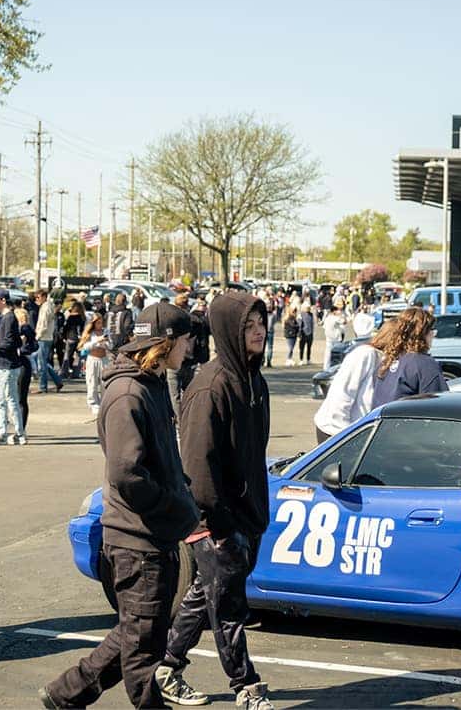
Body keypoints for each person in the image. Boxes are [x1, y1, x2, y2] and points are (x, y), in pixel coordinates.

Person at [41, 304, 199, 709]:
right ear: (164, 343)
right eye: (185, 339)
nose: (191, 346)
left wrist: (183, 494)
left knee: (138, 632)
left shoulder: (153, 382)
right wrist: (173, 508)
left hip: (155, 535)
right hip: (136, 541)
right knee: (144, 652)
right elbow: (128, 474)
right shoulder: (128, 392)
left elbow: (160, 461)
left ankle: (66, 694)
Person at [157, 292, 275, 710]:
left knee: (202, 594)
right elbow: (196, 465)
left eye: (261, 321)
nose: (259, 330)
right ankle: (247, 686)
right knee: (229, 607)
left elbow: (251, 453)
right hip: (214, 521)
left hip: (246, 516)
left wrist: (254, 514)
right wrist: (218, 525)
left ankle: (166, 667)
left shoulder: (253, 381)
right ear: (228, 330)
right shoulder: (209, 386)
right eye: (248, 325)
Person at [313, 308, 448, 444]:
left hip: (360, 431)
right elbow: (343, 394)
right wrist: (347, 435)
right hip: (335, 428)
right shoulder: (367, 354)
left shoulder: (390, 360)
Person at [0, 289, 25, 446]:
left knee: (7, 400)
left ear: (2, 300)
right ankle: (12, 432)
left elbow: (9, 343)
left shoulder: (9, 318)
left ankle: (13, 433)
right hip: (3, 364)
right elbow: (16, 341)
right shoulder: (2, 317)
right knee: (5, 400)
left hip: (7, 365)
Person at [79, 312, 112, 418]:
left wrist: (105, 343)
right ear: (93, 323)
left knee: (105, 383)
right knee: (92, 383)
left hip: (104, 359)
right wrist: (97, 341)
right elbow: (85, 347)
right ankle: (94, 405)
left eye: (101, 322)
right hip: (92, 359)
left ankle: (105, 404)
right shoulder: (90, 333)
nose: (100, 325)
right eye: (98, 323)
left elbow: (111, 345)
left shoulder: (106, 331)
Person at [14, 306, 38, 439]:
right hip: (21, 363)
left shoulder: (25, 328)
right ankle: (20, 427)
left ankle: (21, 428)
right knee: (19, 399)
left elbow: (32, 345)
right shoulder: (24, 329)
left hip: (22, 363)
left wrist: (21, 350)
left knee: (20, 398)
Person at [34, 290, 64, 394]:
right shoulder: (48, 306)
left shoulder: (46, 307)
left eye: (37, 297)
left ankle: (43, 386)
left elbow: (43, 324)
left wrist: (37, 336)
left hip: (44, 337)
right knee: (43, 362)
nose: (36, 300)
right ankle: (57, 381)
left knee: (42, 363)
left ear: (43, 297)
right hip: (47, 337)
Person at [60, 298, 86, 379]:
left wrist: (64, 336)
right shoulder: (82, 317)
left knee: (67, 356)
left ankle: (64, 372)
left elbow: (66, 328)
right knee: (78, 357)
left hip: (71, 337)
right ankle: (76, 373)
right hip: (80, 338)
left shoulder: (71, 317)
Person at [322, 304, 346, 372]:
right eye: (337, 310)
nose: (339, 311)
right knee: (336, 354)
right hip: (336, 338)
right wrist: (341, 316)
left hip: (328, 338)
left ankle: (326, 368)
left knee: (328, 353)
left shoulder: (327, 318)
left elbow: (324, 327)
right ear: (334, 311)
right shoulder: (335, 318)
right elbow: (344, 322)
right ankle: (335, 368)